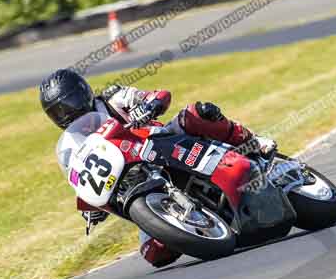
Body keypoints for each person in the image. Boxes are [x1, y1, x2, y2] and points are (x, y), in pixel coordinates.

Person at [40, 68, 276, 268]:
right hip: (136, 181)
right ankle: (200, 219)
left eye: (68, 104)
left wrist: (149, 106)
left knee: (198, 113)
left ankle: (253, 143)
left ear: (83, 93)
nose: (66, 113)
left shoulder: (114, 99)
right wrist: (91, 207)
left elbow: (161, 95)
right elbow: (82, 177)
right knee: (155, 254)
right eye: (57, 111)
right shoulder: (70, 146)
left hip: (163, 142)